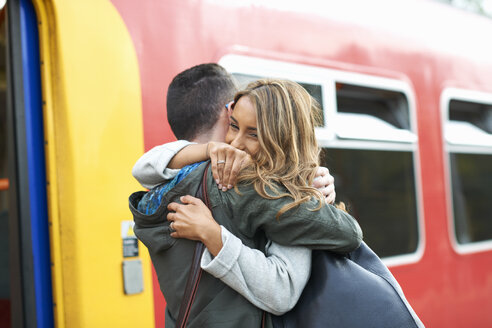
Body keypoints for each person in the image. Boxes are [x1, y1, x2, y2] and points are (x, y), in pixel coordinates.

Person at [129, 67, 362, 328]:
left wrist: (214, 235)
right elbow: (347, 233)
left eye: (253, 134)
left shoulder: (276, 195)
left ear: (282, 138)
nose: (235, 143)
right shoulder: (240, 180)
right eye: (234, 126)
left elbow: (143, 168)